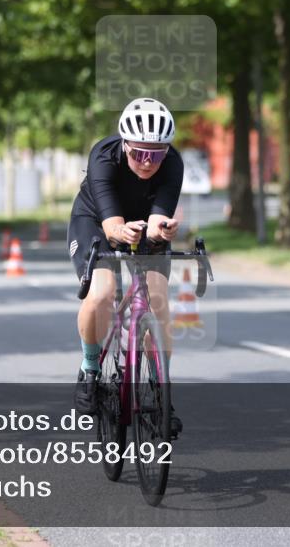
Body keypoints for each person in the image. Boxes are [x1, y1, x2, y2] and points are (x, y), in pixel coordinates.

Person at [68, 98, 183, 433]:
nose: (148, 162)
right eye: (139, 153)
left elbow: (160, 216)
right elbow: (112, 228)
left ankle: (161, 393)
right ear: (124, 144)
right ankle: (90, 370)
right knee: (102, 293)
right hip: (96, 221)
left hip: (145, 222)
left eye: (156, 154)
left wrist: (163, 230)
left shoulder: (173, 163)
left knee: (159, 304)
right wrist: (120, 231)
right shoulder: (103, 157)